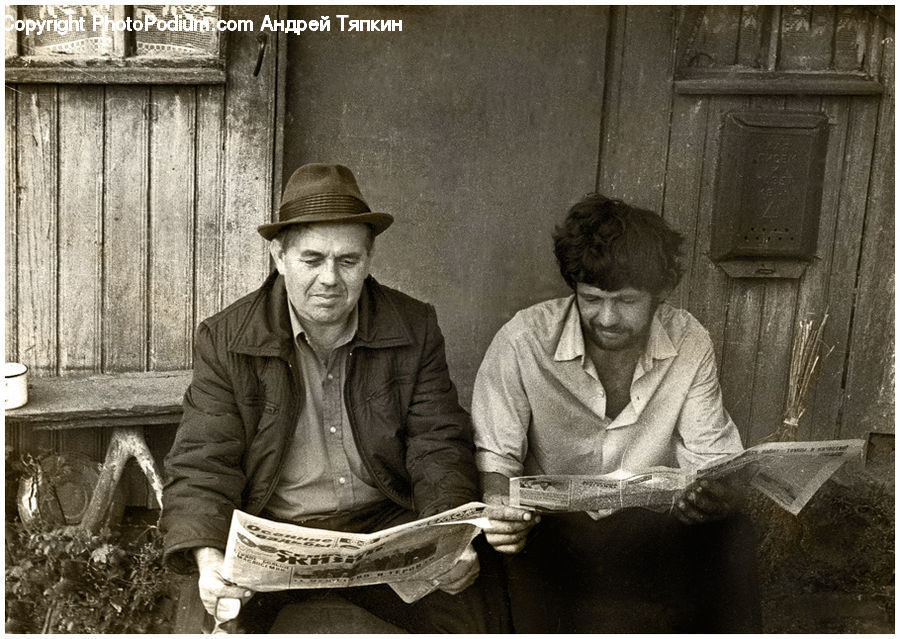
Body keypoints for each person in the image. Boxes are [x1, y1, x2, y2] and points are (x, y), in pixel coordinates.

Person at [161, 163, 508, 633]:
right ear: (279, 257)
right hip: (275, 534)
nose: (330, 278)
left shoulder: (414, 326)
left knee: (474, 610)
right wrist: (208, 556)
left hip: (384, 527)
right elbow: (204, 461)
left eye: (347, 261)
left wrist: (447, 539)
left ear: (368, 260)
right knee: (211, 620)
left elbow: (437, 444)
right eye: (312, 259)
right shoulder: (226, 339)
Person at [472, 193, 762, 633]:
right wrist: (500, 514)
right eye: (591, 298)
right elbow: (496, 458)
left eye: (626, 301)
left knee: (733, 531)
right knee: (496, 543)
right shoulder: (522, 339)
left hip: (650, 527)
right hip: (553, 530)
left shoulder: (689, 340)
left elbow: (712, 456)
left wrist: (714, 495)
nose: (606, 318)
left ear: (659, 294)